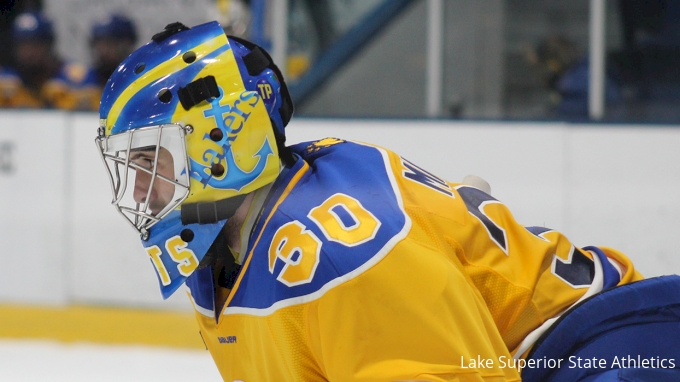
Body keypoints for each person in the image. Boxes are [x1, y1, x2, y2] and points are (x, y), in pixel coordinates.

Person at [95, 21, 645, 381]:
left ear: (217, 136)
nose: (139, 190)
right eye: (130, 167)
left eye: (150, 161)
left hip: (614, 357)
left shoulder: (336, 255)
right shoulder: (229, 247)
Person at [0, 11, 99, 110]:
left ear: (49, 45)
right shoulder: (6, 80)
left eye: (35, 45)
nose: (29, 52)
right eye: (23, 46)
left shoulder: (76, 78)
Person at [89, 13, 138, 87]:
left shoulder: (138, 79)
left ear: (126, 44)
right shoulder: (86, 81)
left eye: (109, 44)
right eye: (100, 45)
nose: (104, 51)